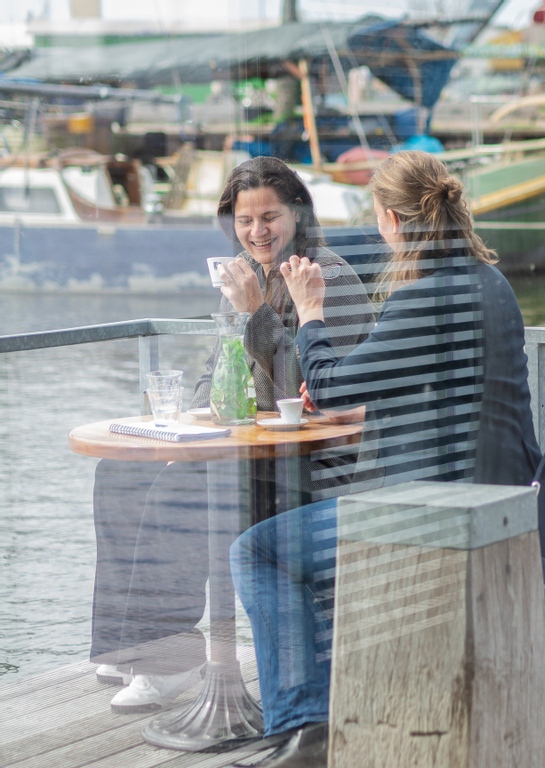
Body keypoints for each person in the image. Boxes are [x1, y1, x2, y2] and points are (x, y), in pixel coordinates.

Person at [229, 151, 542, 767]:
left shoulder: (424, 295)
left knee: (258, 550)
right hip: (503, 511)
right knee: (306, 531)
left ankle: (304, 732)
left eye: (378, 217)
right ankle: (328, 712)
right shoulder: (490, 284)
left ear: (395, 223)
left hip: (437, 525)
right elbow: (453, 388)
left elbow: (329, 384)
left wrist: (310, 311)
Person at [90, 156, 375, 714]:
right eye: (245, 221)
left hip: (313, 468)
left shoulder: (327, 279)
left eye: (269, 217)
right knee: (120, 473)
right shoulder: (244, 273)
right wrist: (187, 426)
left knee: (180, 496)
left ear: (296, 214)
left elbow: (306, 393)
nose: (257, 232)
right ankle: (142, 643)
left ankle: (168, 663)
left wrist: (254, 316)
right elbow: (216, 371)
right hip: (246, 454)